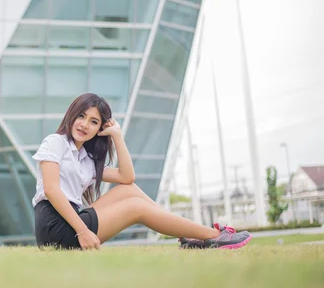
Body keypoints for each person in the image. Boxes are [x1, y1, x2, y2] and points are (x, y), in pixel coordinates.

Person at [32, 93, 252, 250]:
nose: (84, 124)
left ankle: (188, 233)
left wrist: (117, 136)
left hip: (72, 219)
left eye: (93, 122)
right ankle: (214, 236)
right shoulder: (56, 143)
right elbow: (52, 190)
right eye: (81, 116)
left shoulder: (87, 161)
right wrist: (82, 231)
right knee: (136, 207)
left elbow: (127, 178)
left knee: (130, 190)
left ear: (100, 130)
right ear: (71, 115)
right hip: (56, 227)